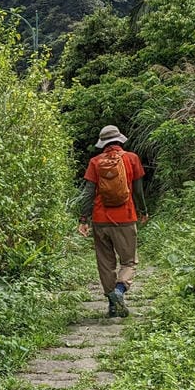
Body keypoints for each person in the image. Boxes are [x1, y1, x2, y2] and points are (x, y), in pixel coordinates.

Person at [77, 124, 147, 317]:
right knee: (129, 261)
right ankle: (119, 291)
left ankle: (112, 304)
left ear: (103, 143)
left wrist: (84, 219)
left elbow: (88, 193)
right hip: (125, 217)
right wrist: (142, 210)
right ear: (119, 140)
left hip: (100, 220)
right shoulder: (132, 159)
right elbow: (138, 191)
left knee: (105, 263)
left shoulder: (95, 162)